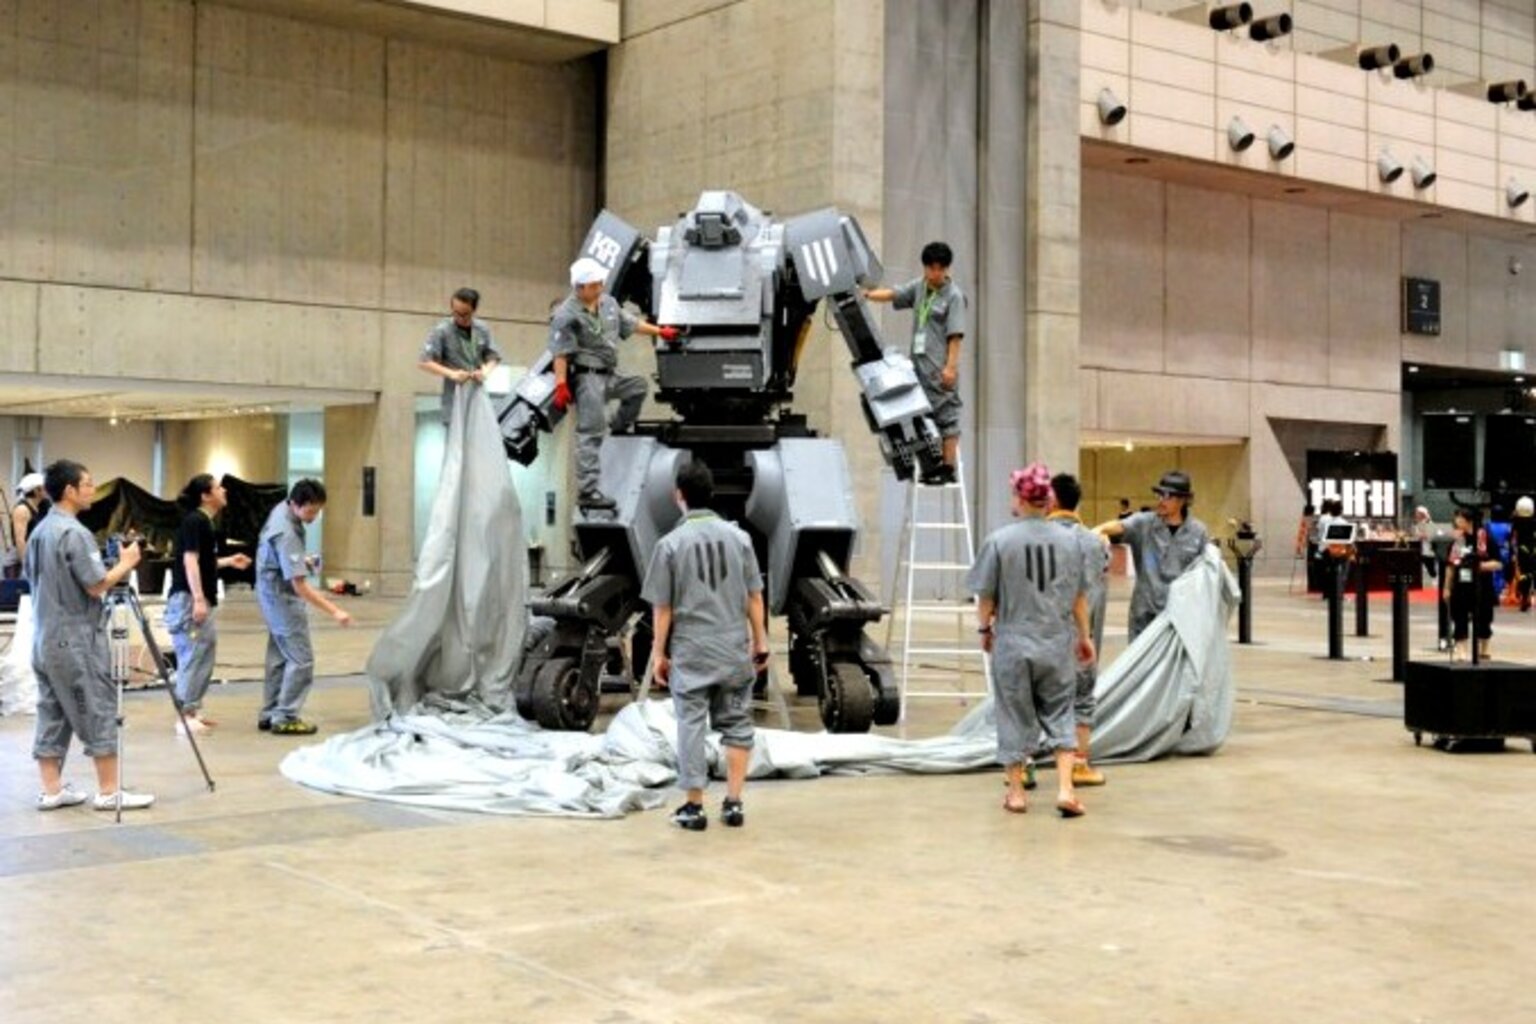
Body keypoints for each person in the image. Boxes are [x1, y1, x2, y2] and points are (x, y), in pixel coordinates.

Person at [640, 459, 769, 831]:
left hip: (692, 651)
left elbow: (662, 608)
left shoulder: (669, 545)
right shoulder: (740, 539)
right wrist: (760, 642)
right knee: (738, 724)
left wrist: (659, 653)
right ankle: (734, 803)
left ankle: (694, 808)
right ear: (711, 494)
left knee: (691, 725)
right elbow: (754, 596)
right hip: (733, 649)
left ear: (678, 496)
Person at [25, 460, 154, 811]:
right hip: (75, 639)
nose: (92, 489)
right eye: (88, 484)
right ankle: (109, 791)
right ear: (69, 490)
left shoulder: (39, 531)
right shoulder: (75, 533)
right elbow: (96, 585)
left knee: (52, 711)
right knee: (97, 707)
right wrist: (126, 562)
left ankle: (52, 790)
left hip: (44, 637)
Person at [970, 463, 1095, 818]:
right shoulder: (1072, 542)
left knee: (1012, 713)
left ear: (1022, 499)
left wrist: (985, 630)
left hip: (1013, 641)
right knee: (1061, 712)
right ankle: (1066, 789)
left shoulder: (999, 541)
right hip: (1056, 642)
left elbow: (986, 596)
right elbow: (1079, 597)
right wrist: (1084, 637)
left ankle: (1016, 793)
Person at [550, 257, 679, 510]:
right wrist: (561, 384)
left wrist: (660, 331)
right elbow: (560, 353)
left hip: (610, 373)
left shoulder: (608, 303)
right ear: (580, 287)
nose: (600, 288)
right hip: (588, 377)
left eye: (600, 283)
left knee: (638, 387)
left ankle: (619, 426)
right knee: (590, 433)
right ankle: (588, 491)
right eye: (594, 285)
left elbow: (631, 323)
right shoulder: (566, 314)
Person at [255, 479, 352, 735]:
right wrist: (335, 611)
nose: (314, 517)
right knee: (301, 659)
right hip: (282, 599)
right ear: (297, 505)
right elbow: (300, 587)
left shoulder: (281, 509)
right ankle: (286, 717)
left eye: (318, 511)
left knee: (279, 657)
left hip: (270, 593)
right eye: (311, 511)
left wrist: (300, 562)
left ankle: (270, 712)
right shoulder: (287, 533)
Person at [863, 241, 967, 478]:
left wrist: (950, 368)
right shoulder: (920, 287)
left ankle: (948, 468)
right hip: (918, 367)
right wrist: (868, 295)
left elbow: (955, 337)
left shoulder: (954, 296)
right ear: (925, 267)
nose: (935, 273)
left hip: (940, 368)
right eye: (931, 268)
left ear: (947, 269)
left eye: (940, 269)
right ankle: (930, 465)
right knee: (920, 416)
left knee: (947, 417)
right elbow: (894, 294)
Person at [164, 474, 252, 735]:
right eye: (217, 487)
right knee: (192, 655)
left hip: (198, 597)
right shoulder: (195, 521)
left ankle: (192, 710)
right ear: (205, 496)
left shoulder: (206, 523)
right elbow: (189, 561)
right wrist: (198, 599)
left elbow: (203, 561)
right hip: (188, 599)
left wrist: (228, 561)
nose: (223, 490)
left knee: (203, 653)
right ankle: (184, 716)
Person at [1093, 470, 1210, 643]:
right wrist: (1099, 530)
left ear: (1183, 500)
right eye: (1159, 495)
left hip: (1181, 618)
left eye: (1167, 496)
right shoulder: (1144, 523)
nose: (1161, 500)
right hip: (1145, 616)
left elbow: (1206, 576)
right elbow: (1119, 526)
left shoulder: (1198, 532)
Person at [1048, 473, 1109, 787]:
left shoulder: (1033, 537)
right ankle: (1079, 765)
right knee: (1082, 699)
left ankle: (1024, 767)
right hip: (1080, 637)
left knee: (1031, 700)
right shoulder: (1095, 543)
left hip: (1040, 636)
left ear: (1052, 500)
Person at [418, 287, 503, 425]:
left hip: (477, 395)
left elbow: (494, 356)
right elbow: (424, 361)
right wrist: (451, 374)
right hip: (454, 397)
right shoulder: (442, 330)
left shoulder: (482, 329)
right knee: (455, 434)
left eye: (465, 314)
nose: (460, 318)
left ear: (474, 310)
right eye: (456, 313)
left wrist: (485, 372)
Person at [1444, 507, 1502, 662]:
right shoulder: (1457, 540)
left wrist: (1482, 566)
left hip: (1482, 585)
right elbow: (1450, 566)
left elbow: (1498, 563)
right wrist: (1446, 587)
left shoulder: (1486, 538)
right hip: (1461, 585)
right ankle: (1461, 651)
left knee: (1484, 618)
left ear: (1468, 520)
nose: (1456, 520)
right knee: (1460, 618)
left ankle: (1485, 649)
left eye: (1459, 517)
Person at [6, 472, 50, 580]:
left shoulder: (41, 507)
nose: (47, 489)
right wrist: (27, 566)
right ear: (36, 490)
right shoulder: (22, 509)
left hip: (34, 556)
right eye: (44, 487)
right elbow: (20, 541)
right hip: (18, 563)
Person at [1511, 496, 1536, 612]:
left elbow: (1514, 537)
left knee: (1523, 573)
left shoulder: (1516, 521)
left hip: (1522, 550)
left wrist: (1513, 551)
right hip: (1533, 549)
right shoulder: (1534, 521)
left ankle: (1524, 595)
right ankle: (1528, 595)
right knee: (1531, 573)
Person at [1411, 506, 1437, 581]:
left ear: (1422, 514)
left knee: (1431, 570)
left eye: (1417, 513)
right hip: (1420, 550)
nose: (1416, 515)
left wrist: (1421, 535)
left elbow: (1429, 535)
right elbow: (1417, 535)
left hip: (1429, 551)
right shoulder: (1418, 523)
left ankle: (1434, 582)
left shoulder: (1430, 523)